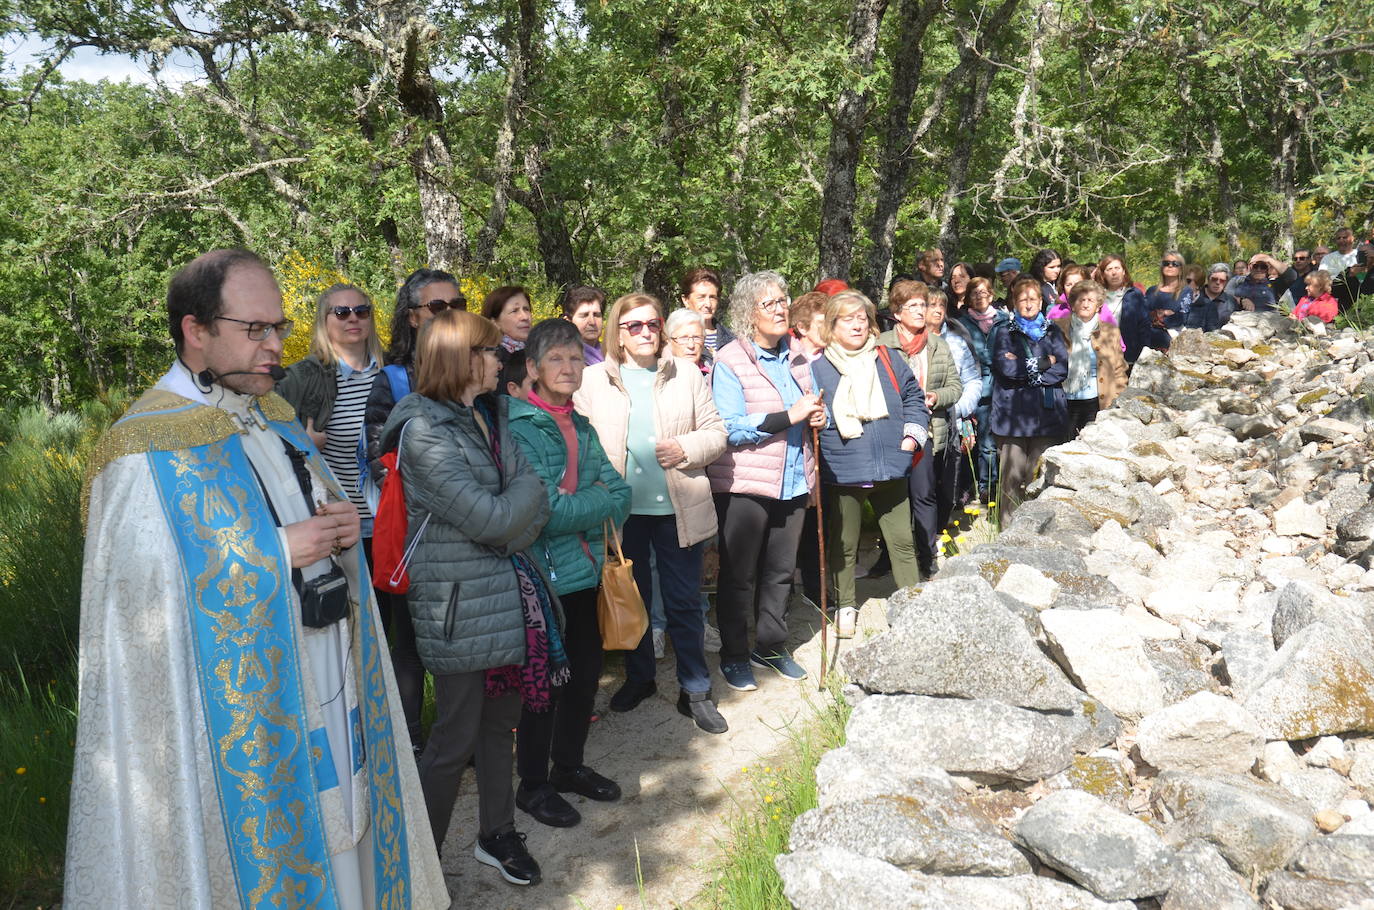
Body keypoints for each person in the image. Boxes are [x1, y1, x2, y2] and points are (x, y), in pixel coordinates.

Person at [69, 249, 448, 908]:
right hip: (239, 726)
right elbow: (140, 605)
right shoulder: (140, 452)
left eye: (280, 327)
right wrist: (278, 552)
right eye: (256, 330)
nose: (277, 346)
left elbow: (313, 516)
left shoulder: (271, 415)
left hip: (327, 681)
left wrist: (332, 527)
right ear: (196, 330)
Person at [379, 307, 550, 887]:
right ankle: (419, 868)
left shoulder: (490, 415)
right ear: (461, 359)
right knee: (453, 740)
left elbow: (529, 509)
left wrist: (512, 517)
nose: (501, 357)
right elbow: (491, 516)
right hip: (457, 611)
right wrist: (513, 513)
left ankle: (496, 834)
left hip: (502, 599)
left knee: (501, 727)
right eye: (489, 349)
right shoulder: (422, 431)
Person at [575, 293, 729, 732]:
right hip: (622, 515)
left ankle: (695, 689)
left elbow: (716, 434)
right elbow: (582, 448)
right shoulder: (591, 381)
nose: (645, 332)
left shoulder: (686, 374)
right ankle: (639, 678)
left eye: (652, 324)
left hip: (679, 509)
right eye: (634, 326)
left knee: (683, 602)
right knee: (633, 599)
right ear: (618, 334)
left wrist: (685, 448)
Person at [507, 319, 632, 830]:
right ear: (532, 369)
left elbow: (620, 495)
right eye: (555, 359)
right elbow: (546, 514)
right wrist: (595, 503)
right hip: (542, 580)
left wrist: (591, 502)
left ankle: (568, 767)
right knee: (545, 689)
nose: (568, 367)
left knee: (583, 680)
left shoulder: (579, 424)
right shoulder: (519, 428)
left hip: (583, 575)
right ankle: (532, 785)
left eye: (576, 358)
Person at [708, 270, 826, 691]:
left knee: (780, 572)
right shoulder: (730, 361)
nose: (780, 308)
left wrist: (816, 416)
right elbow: (730, 429)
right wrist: (787, 418)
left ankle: (771, 647)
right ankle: (735, 655)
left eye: (783, 300)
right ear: (747, 312)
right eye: (769, 303)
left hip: (794, 479)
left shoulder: (797, 356)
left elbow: (806, 409)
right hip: (745, 484)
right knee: (739, 575)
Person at [364, 267, 463, 751]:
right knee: (410, 647)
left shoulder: (476, 373)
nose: (450, 315)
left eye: (457, 306)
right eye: (438, 307)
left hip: (469, 535)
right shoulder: (390, 382)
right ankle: (411, 747)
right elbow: (383, 465)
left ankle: (459, 739)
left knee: (458, 642)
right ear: (412, 318)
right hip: (415, 536)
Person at [813, 290, 928, 638]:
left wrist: (911, 438)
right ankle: (845, 605)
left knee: (902, 540)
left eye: (862, 317)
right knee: (844, 544)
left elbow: (913, 397)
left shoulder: (888, 358)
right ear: (832, 326)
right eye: (848, 318)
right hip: (844, 467)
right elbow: (811, 414)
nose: (858, 324)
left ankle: (912, 603)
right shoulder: (816, 369)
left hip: (893, 463)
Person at [879, 280, 959, 579]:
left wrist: (937, 397)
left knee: (923, 495)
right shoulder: (881, 344)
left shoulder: (938, 344)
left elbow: (956, 387)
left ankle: (926, 559)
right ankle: (886, 558)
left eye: (922, 305)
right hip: (889, 432)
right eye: (911, 306)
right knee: (890, 497)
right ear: (897, 313)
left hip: (927, 429)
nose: (919, 311)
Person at [990, 277, 1069, 520]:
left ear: (1041, 301)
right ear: (1014, 303)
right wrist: (1045, 363)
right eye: (1022, 299)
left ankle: (1039, 531)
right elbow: (1006, 369)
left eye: (1033, 299)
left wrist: (1024, 368)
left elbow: (1062, 369)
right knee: (1011, 481)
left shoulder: (1053, 331)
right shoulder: (1003, 332)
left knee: (1040, 478)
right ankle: (1007, 536)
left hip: (1047, 417)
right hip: (1012, 417)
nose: (1028, 304)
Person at [927, 289, 982, 531]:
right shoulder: (908, 344)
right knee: (922, 487)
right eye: (931, 305)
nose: (938, 310)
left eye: (942, 305)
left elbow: (973, 381)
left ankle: (938, 532)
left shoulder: (958, 342)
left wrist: (958, 408)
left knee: (947, 486)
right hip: (921, 426)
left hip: (952, 424)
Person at [1051, 279, 1127, 437]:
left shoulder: (1110, 331)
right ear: (1073, 304)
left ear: (1099, 305)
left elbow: (1119, 369)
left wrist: (1117, 400)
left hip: (1097, 401)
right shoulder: (1057, 328)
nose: (1085, 304)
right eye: (1081, 300)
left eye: (1090, 300)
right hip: (1064, 400)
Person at [957, 276, 1009, 502]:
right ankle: (984, 486)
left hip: (1004, 385)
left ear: (991, 294)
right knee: (980, 441)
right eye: (974, 293)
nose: (979, 297)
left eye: (984, 292)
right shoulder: (960, 323)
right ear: (968, 297)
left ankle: (997, 484)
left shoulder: (1004, 320)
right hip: (975, 386)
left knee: (997, 439)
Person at [1094, 254, 1152, 364]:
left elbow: (1144, 325)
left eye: (1117, 268)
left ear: (1124, 271)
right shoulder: (1096, 296)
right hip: (1102, 355)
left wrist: (1145, 351)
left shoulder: (1134, 294)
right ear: (1103, 274)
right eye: (1109, 269)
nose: (1114, 273)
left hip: (1129, 355)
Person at [681, 267, 734, 361]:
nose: (708, 304)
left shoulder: (732, 340)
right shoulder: (676, 339)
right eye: (701, 297)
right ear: (685, 300)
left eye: (712, 297)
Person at [483, 285, 535, 358]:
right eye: (515, 311)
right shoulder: (490, 359)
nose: (525, 317)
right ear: (494, 322)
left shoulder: (541, 351)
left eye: (526, 309)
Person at [1144, 252, 1187, 336]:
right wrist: (1164, 313)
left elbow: (1181, 318)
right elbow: (1144, 316)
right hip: (1151, 337)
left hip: (1174, 340)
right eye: (1166, 263)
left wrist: (1156, 315)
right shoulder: (1151, 291)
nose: (1170, 266)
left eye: (1175, 264)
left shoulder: (1186, 291)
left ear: (1181, 269)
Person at [563, 285, 607, 365]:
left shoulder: (612, 356)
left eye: (596, 315)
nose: (592, 322)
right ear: (568, 322)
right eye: (584, 315)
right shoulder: (563, 360)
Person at [1187, 264, 1235, 331]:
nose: (1218, 283)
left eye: (1222, 280)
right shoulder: (1193, 296)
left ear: (1226, 282)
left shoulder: (1231, 302)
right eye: (1214, 279)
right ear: (1208, 279)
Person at [665, 307, 709, 372]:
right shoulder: (660, 376)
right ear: (669, 342)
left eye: (696, 337)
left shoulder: (713, 375)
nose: (691, 345)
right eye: (683, 338)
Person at [1333, 243, 1374, 312]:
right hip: (1348, 314)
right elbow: (1334, 292)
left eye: (1367, 253)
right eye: (1361, 253)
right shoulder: (1348, 271)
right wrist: (1349, 276)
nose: (1364, 256)